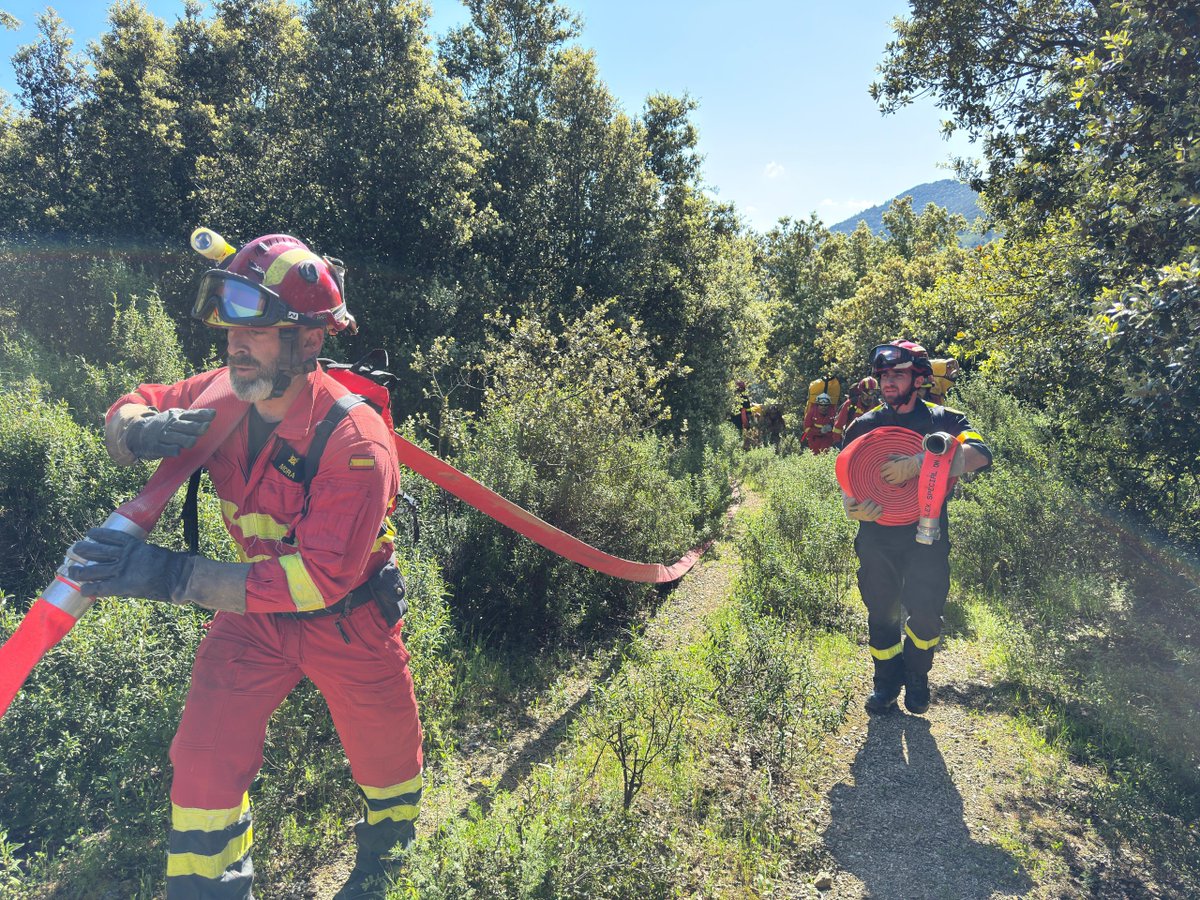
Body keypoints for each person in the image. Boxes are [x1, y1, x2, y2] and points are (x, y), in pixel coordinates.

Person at [67, 234, 422, 900]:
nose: (236, 343)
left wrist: (167, 576)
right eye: (232, 326)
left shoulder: (356, 445)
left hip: (347, 621)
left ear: (308, 343)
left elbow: (315, 581)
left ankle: (385, 864)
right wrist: (137, 427)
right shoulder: (224, 394)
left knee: (387, 759)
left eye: (256, 329)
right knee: (202, 756)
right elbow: (133, 399)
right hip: (253, 615)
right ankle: (209, 888)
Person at [838, 340, 992, 715]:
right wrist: (852, 507)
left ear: (919, 378)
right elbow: (847, 476)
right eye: (883, 376)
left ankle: (918, 676)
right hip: (876, 536)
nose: (888, 382)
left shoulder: (945, 420)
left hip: (928, 534)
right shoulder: (864, 424)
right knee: (882, 612)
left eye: (898, 374)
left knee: (925, 613)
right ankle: (886, 684)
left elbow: (981, 455)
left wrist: (925, 461)